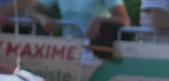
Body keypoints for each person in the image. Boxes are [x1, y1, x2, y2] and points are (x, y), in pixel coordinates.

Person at [0, 0, 129, 38]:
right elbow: (33, 9)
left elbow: (124, 20)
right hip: (69, 48)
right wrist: (43, 18)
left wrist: (99, 21)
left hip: (96, 49)